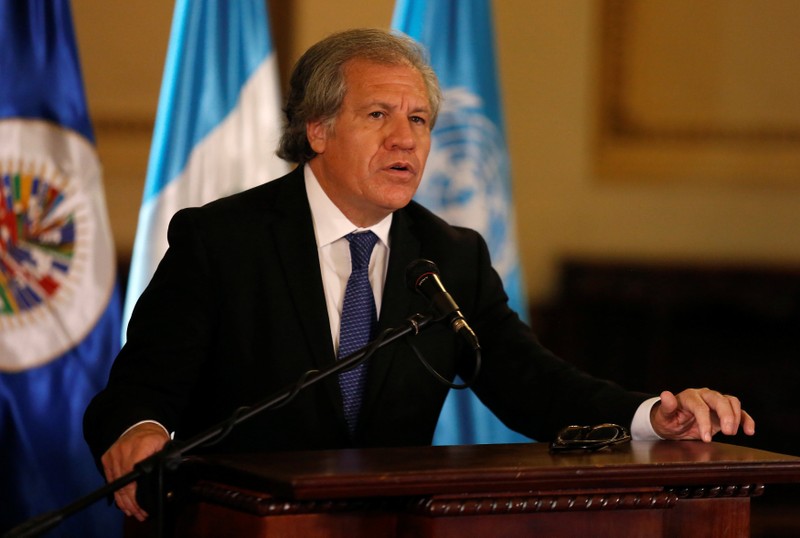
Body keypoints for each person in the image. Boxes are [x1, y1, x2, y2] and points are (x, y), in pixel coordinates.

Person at [83, 28, 755, 522]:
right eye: (378, 115)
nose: (405, 139)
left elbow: (530, 381)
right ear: (317, 128)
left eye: (419, 120)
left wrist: (649, 416)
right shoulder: (223, 240)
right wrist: (138, 429)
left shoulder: (450, 255)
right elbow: (138, 389)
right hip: (239, 526)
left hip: (394, 526)